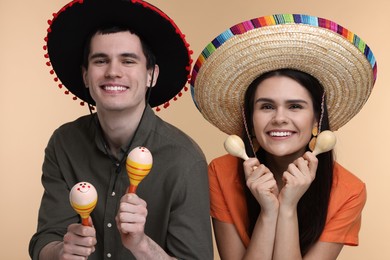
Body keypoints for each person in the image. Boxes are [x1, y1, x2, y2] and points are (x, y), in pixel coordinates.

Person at [29, 0, 213, 259]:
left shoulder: (184, 159)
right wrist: (61, 251)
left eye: (128, 61)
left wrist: (141, 244)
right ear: (85, 75)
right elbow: (45, 240)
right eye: (101, 60)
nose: (113, 72)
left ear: (151, 75)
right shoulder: (64, 143)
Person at [190, 14, 377, 259]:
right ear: (250, 118)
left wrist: (287, 208)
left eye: (295, 106)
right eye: (266, 106)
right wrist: (269, 212)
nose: (279, 118)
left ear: (316, 120)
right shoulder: (221, 173)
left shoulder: (349, 191)